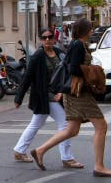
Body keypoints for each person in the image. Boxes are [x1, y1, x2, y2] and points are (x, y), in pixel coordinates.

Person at [29, 18, 111, 177]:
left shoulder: (79, 44)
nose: (92, 31)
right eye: (90, 28)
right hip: (78, 93)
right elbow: (73, 68)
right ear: (85, 30)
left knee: (72, 129)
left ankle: (40, 150)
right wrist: (92, 71)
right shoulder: (77, 45)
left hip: (74, 93)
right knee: (101, 126)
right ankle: (99, 166)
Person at [12, 28, 81, 168]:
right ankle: (67, 158)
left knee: (36, 123)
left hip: (58, 95)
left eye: (50, 37)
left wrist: (63, 91)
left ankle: (19, 150)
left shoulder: (60, 53)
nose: (48, 40)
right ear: (41, 40)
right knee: (65, 125)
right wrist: (18, 98)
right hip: (44, 96)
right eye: (44, 38)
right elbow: (28, 77)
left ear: (54, 38)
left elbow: (66, 73)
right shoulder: (38, 56)